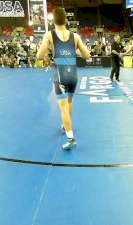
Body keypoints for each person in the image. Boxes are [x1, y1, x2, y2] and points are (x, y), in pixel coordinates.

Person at [37, 7, 91, 150]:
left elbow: (39, 56)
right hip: (73, 74)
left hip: (60, 74)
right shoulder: (75, 36)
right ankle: (66, 125)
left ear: (53, 20)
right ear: (66, 20)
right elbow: (87, 56)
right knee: (69, 102)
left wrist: (47, 46)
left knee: (63, 107)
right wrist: (73, 50)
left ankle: (71, 138)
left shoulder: (49, 35)